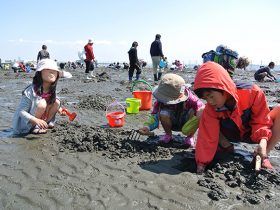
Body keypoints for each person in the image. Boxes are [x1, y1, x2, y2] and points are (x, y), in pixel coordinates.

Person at [193, 61, 280, 174]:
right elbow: (207, 136)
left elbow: (261, 121)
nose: (210, 101)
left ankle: (263, 156)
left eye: (211, 96)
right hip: (231, 134)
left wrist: (263, 142)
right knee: (202, 112)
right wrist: (201, 163)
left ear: (223, 89)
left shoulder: (252, 92)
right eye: (206, 98)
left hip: (251, 132)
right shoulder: (211, 108)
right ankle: (226, 147)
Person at [139, 73, 204, 147]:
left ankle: (190, 136)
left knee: (194, 111)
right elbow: (154, 115)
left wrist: (195, 122)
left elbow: (202, 110)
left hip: (186, 122)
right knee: (163, 113)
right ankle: (168, 135)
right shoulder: (160, 102)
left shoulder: (192, 100)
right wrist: (147, 127)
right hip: (171, 122)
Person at [12, 59, 65, 135]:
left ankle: (44, 124)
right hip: (28, 123)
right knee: (42, 102)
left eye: (54, 70)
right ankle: (36, 126)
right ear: (40, 73)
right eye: (48, 69)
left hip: (42, 116)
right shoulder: (30, 91)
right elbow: (21, 111)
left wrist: (59, 109)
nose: (52, 72)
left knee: (56, 102)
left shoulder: (52, 90)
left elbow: (50, 102)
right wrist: (36, 120)